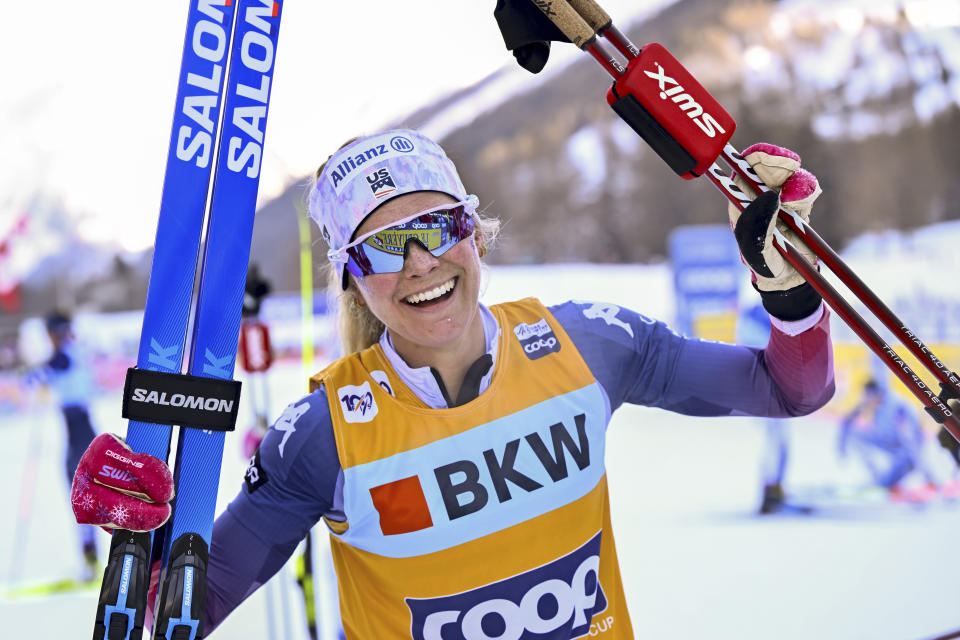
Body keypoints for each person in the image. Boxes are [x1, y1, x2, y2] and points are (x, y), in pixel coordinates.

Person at [72, 131, 835, 638]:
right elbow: (179, 615)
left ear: (474, 232)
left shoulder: (589, 342)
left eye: (437, 228)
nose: (419, 263)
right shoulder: (323, 433)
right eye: (380, 248)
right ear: (352, 282)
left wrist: (788, 290)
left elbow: (790, 389)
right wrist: (140, 536)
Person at [43, 311, 100, 581]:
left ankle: (94, 564)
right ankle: (91, 561)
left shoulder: (68, 353)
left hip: (80, 431)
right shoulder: (70, 351)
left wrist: (35, 376)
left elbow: (58, 364)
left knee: (84, 496)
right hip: (77, 431)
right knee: (82, 498)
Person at [838, 378, 938, 501]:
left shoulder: (897, 405)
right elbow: (847, 421)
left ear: (877, 393)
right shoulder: (871, 400)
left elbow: (914, 440)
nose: (868, 402)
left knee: (906, 440)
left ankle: (929, 480)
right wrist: (841, 448)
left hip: (906, 449)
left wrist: (928, 476)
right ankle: (880, 480)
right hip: (888, 442)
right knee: (856, 436)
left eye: (869, 397)